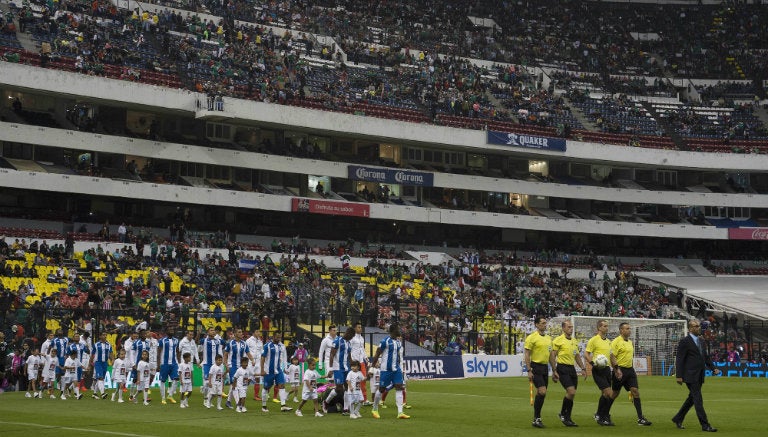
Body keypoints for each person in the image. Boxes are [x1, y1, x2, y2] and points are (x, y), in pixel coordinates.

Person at [672, 319, 721, 432]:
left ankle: (678, 418)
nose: (697, 328)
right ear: (689, 329)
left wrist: (713, 369)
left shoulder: (701, 341)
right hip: (689, 375)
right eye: (695, 326)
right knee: (698, 399)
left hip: (699, 375)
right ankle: (705, 425)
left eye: (698, 326)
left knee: (692, 399)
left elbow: (706, 357)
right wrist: (678, 376)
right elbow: (679, 359)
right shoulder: (685, 341)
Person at [609, 322, 652, 426]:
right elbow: (612, 356)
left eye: (629, 328)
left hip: (630, 370)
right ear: (621, 330)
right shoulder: (616, 341)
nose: (629, 330)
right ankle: (603, 413)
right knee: (614, 394)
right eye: (627, 328)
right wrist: (616, 369)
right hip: (619, 370)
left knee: (635, 391)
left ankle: (640, 418)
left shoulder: (630, 342)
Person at [550, 319, 586, 427]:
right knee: (571, 392)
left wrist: (583, 368)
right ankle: (564, 415)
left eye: (571, 327)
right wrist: (554, 370)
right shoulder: (558, 340)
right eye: (569, 327)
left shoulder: (574, 341)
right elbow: (552, 355)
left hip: (571, 369)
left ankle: (566, 416)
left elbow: (577, 356)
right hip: (562, 368)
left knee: (572, 394)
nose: (571, 329)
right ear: (563, 328)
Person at [371, 323, 409, 419]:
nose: (400, 330)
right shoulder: (385, 341)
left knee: (399, 387)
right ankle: (374, 409)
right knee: (381, 389)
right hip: (386, 370)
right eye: (398, 329)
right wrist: (372, 367)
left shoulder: (398, 342)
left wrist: (400, 367)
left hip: (396, 369)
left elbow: (398, 357)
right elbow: (377, 353)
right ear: (393, 331)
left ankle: (400, 412)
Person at [584, 319, 615, 426]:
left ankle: (599, 414)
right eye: (605, 326)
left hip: (607, 369)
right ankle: (604, 416)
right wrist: (593, 364)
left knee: (605, 394)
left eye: (607, 326)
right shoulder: (593, 340)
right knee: (608, 393)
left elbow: (611, 356)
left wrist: (616, 368)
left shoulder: (608, 341)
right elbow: (586, 354)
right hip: (598, 370)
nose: (607, 328)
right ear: (599, 328)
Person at [524, 316, 552, 428]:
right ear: (536, 324)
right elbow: (527, 354)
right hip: (535, 367)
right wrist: (529, 370)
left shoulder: (549, 338)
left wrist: (554, 370)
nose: (545, 325)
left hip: (545, 368)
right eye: (543, 323)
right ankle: (537, 418)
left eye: (545, 323)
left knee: (541, 394)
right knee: (542, 391)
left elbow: (551, 356)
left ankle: (536, 418)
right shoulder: (531, 338)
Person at [260, 332, 293, 412]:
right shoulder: (267, 345)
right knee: (266, 388)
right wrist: (262, 370)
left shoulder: (280, 347)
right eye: (277, 337)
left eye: (280, 338)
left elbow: (281, 358)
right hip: (268, 371)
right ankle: (264, 406)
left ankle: (283, 405)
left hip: (278, 370)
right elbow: (262, 358)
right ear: (273, 337)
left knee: (282, 385)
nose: (279, 339)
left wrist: (284, 367)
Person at [325, 327, 354, 414]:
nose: (351, 338)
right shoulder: (337, 341)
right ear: (347, 333)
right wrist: (330, 369)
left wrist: (353, 366)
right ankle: (326, 402)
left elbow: (349, 356)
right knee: (339, 388)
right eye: (351, 336)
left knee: (347, 387)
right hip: (337, 368)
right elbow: (331, 355)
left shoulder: (348, 343)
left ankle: (345, 409)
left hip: (346, 368)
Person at [224, 328, 254, 408]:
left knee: (234, 384)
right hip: (232, 366)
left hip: (240, 366)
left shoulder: (244, 344)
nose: (242, 334)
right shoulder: (230, 343)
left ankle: (228, 401)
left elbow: (248, 353)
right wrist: (226, 364)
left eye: (241, 332)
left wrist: (252, 360)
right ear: (235, 334)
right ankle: (238, 403)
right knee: (235, 384)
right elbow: (225, 354)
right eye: (239, 332)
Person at [350, 322, 370, 404]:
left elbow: (362, 350)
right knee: (354, 381)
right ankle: (354, 398)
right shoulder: (352, 338)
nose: (360, 329)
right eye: (358, 327)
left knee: (363, 380)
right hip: (354, 362)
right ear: (355, 328)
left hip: (361, 362)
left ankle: (364, 399)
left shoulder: (361, 338)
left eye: (361, 327)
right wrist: (351, 360)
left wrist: (367, 359)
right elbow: (349, 350)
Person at [158, 331, 180, 405]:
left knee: (176, 379)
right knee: (163, 381)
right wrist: (158, 364)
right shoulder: (162, 340)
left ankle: (170, 395)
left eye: (172, 329)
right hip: (164, 364)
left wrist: (179, 363)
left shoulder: (176, 340)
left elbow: (177, 351)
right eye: (169, 329)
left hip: (174, 363)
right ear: (166, 331)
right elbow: (158, 352)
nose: (171, 330)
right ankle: (163, 398)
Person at [92, 332, 113, 400]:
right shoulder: (96, 345)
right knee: (100, 378)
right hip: (98, 362)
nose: (105, 336)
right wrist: (90, 364)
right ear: (100, 336)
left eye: (106, 335)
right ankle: (103, 393)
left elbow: (110, 353)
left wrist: (112, 360)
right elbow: (92, 355)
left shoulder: (108, 345)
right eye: (103, 335)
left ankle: (95, 393)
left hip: (105, 363)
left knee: (101, 379)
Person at [245, 330, 263, 400]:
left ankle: (256, 395)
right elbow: (246, 351)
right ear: (253, 333)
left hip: (258, 361)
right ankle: (243, 392)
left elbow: (262, 351)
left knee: (257, 378)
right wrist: (246, 361)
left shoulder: (260, 341)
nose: (258, 333)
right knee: (248, 378)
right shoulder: (248, 341)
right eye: (257, 332)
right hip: (250, 361)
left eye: (259, 332)